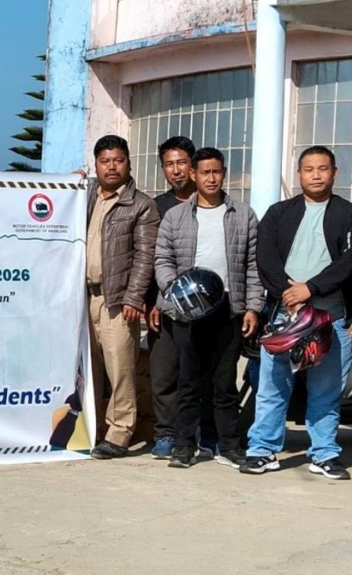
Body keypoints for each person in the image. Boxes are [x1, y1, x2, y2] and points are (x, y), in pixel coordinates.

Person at [240, 146, 352, 480]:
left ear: (335, 173)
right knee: (273, 387)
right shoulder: (278, 213)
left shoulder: (347, 213)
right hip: (284, 316)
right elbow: (265, 258)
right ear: (299, 173)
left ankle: (324, 453)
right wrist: (288, 292)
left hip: (331, 317)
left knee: (326, 390)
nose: (315, 175)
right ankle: (262, 450)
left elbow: (349, 263)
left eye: (322, 169)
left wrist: (312, 288)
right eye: (308, 169)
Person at [153, 147, 262, 469]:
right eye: (204, 173)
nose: (211, 178)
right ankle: (184, 446)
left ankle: (228, 445)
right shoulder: (175, 216)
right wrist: (177, 292)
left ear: (223, 173)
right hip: (187, 309)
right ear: (193, 175)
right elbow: (163, 259)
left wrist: (253, 307)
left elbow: (252, 266)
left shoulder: (243, 214)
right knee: (188, 381)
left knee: (224, 383)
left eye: (216, 172)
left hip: (229, 307)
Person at [85, 134, 159, 459]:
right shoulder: (85, 197)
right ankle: (89, 429)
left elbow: (146, 256)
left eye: (118, 160)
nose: (111, 167)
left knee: (121, 370)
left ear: (129, 162)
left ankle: (119, 433)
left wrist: (134, 297)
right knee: (88, 369)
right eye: (105, 161)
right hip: (81, 299)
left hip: (117, 301)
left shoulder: (141, 205)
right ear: (96, 165)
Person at [144, 136, 197, 460]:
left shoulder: (214, 204)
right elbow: (148, 257)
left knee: (201, 373)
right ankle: (165, 434)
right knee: (164, 374)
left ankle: (199, 434)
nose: (176, 170)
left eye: (181, 163)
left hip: (205, 307)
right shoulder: (156, 207)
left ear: (193, 165)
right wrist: (151, 300)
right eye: (169, 164)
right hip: (163, 305)